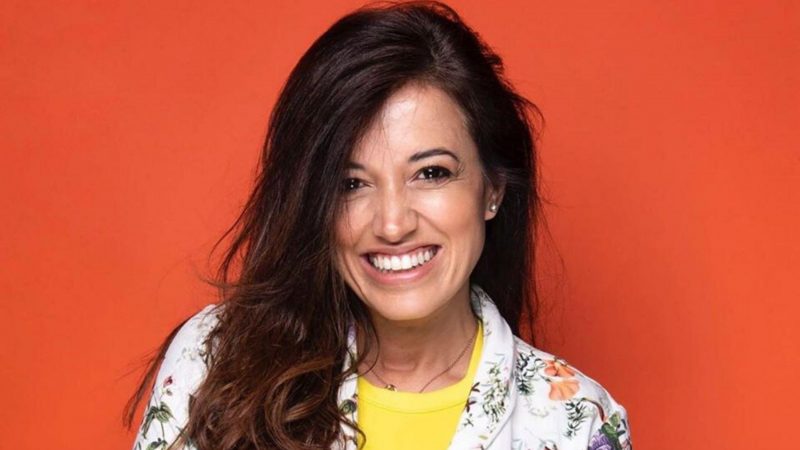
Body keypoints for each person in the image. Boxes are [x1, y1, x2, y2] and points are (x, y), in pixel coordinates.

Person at [124, 1, 632, 449]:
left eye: (431, 173)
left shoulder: (574, 424)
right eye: (352, 183)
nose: (392, 224)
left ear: (492, 189)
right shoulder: (216, 361)